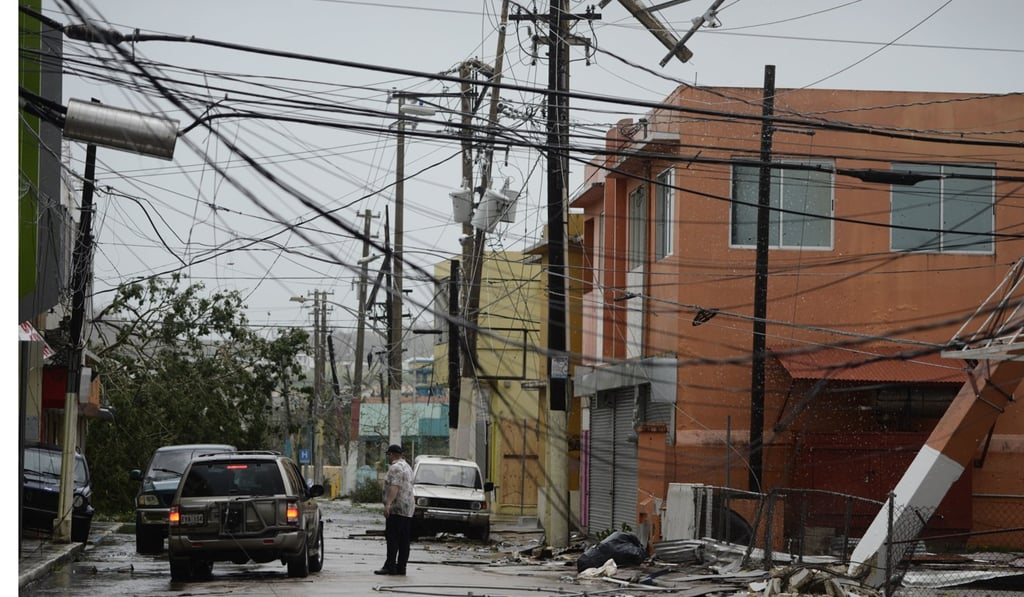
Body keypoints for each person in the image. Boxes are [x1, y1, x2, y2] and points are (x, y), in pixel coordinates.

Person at [375, 444, 414, 576]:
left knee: (392, 538)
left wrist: (388, 504)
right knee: (404, 540)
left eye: (388, 455)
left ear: (391, 454)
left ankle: (390, 566)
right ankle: (401, 567)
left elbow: (395, 486)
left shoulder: (395, 468)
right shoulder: (408, 467)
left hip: (397, 508)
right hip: (408, 509)